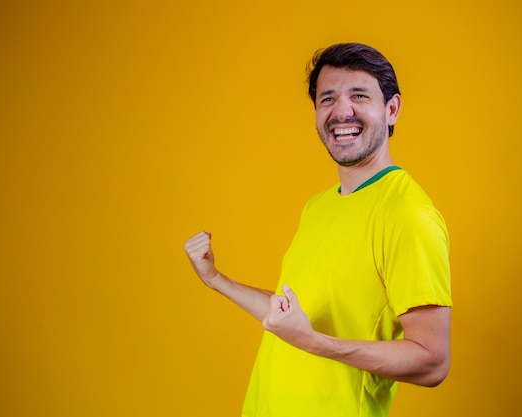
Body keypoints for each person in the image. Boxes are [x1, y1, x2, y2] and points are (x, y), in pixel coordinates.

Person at [184, 42, 452, 417]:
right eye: (328, 99)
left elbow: (432, 362)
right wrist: (215, 279)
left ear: (391, 109)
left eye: (359, 95)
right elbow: (290, 317)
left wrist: (315, 342)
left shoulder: (407, 213)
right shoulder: (319, 205)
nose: (341, 111)